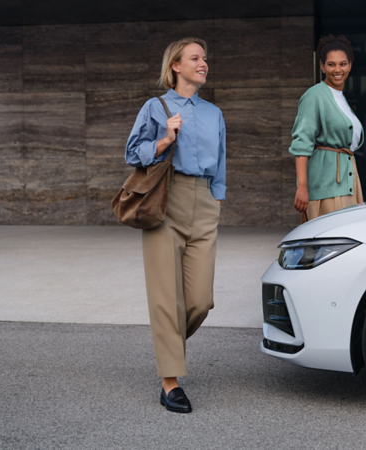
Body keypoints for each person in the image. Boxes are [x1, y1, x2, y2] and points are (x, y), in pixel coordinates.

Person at [125, 37, 225, 414]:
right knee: (167, 296)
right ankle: (170, 383)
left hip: (204, 203)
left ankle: (167, 348)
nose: (203, 63)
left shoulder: (215, 113)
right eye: (195, 58)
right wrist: (165, 138)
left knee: (199, 300)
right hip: (166, 201)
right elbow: (131, 152)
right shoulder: (155, 107)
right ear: (176, 66)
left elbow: (222, 162)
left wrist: (217, 197)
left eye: (205, 58)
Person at [290, 34, 364, 221]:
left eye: (343, 64)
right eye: (331, 64)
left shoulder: (342, 99)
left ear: (350, 65)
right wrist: (302, 186)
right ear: (322, 66)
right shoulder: (314, 96)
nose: (337, 69)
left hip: (349, 182)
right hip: (326, 186)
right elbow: (302, 144)